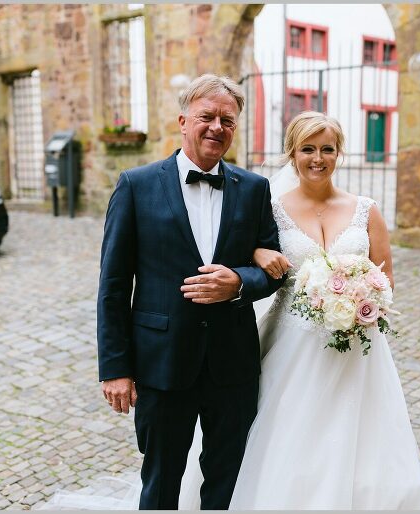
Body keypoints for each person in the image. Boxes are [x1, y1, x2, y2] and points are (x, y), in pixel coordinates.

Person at [37, 111, 420, 510]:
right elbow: (115, 285)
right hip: (232, 351)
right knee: (168, 473)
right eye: (307, 149)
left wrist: (356, 298)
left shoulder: (279, 195)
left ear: (339, 154)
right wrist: (115, 366)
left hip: (339, 352)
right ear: (291, 155)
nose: (317, 158)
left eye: (327, 149)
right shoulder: (256, 202)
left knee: (309, 454)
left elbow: (382, 280)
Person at [95, 73, 284, 510]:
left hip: (232, 364)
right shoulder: (136, 185)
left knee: (228, 479)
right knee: (160, 480)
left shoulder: (254, 189)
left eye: (228, 120)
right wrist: (115, 368)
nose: (217, 127)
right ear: (183, 121)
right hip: (163, 363)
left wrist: (239, 282)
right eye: (207, 116)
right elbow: (113, 285)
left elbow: (275, 268)